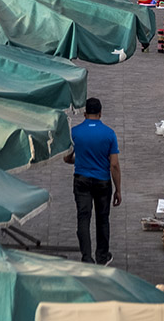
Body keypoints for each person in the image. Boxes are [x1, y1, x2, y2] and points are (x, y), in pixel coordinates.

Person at [64, 96, 121, 266]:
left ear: (84, 113)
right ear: (100, 113)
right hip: (102, 181)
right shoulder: (109, 134)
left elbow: (67, 158)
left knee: (83, 218)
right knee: (102, 219)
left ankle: (86, 257)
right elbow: (114, 165)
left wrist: (80, 160)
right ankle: (102, 256)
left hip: (81, 179)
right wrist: (118, 189)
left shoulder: (74, 132)